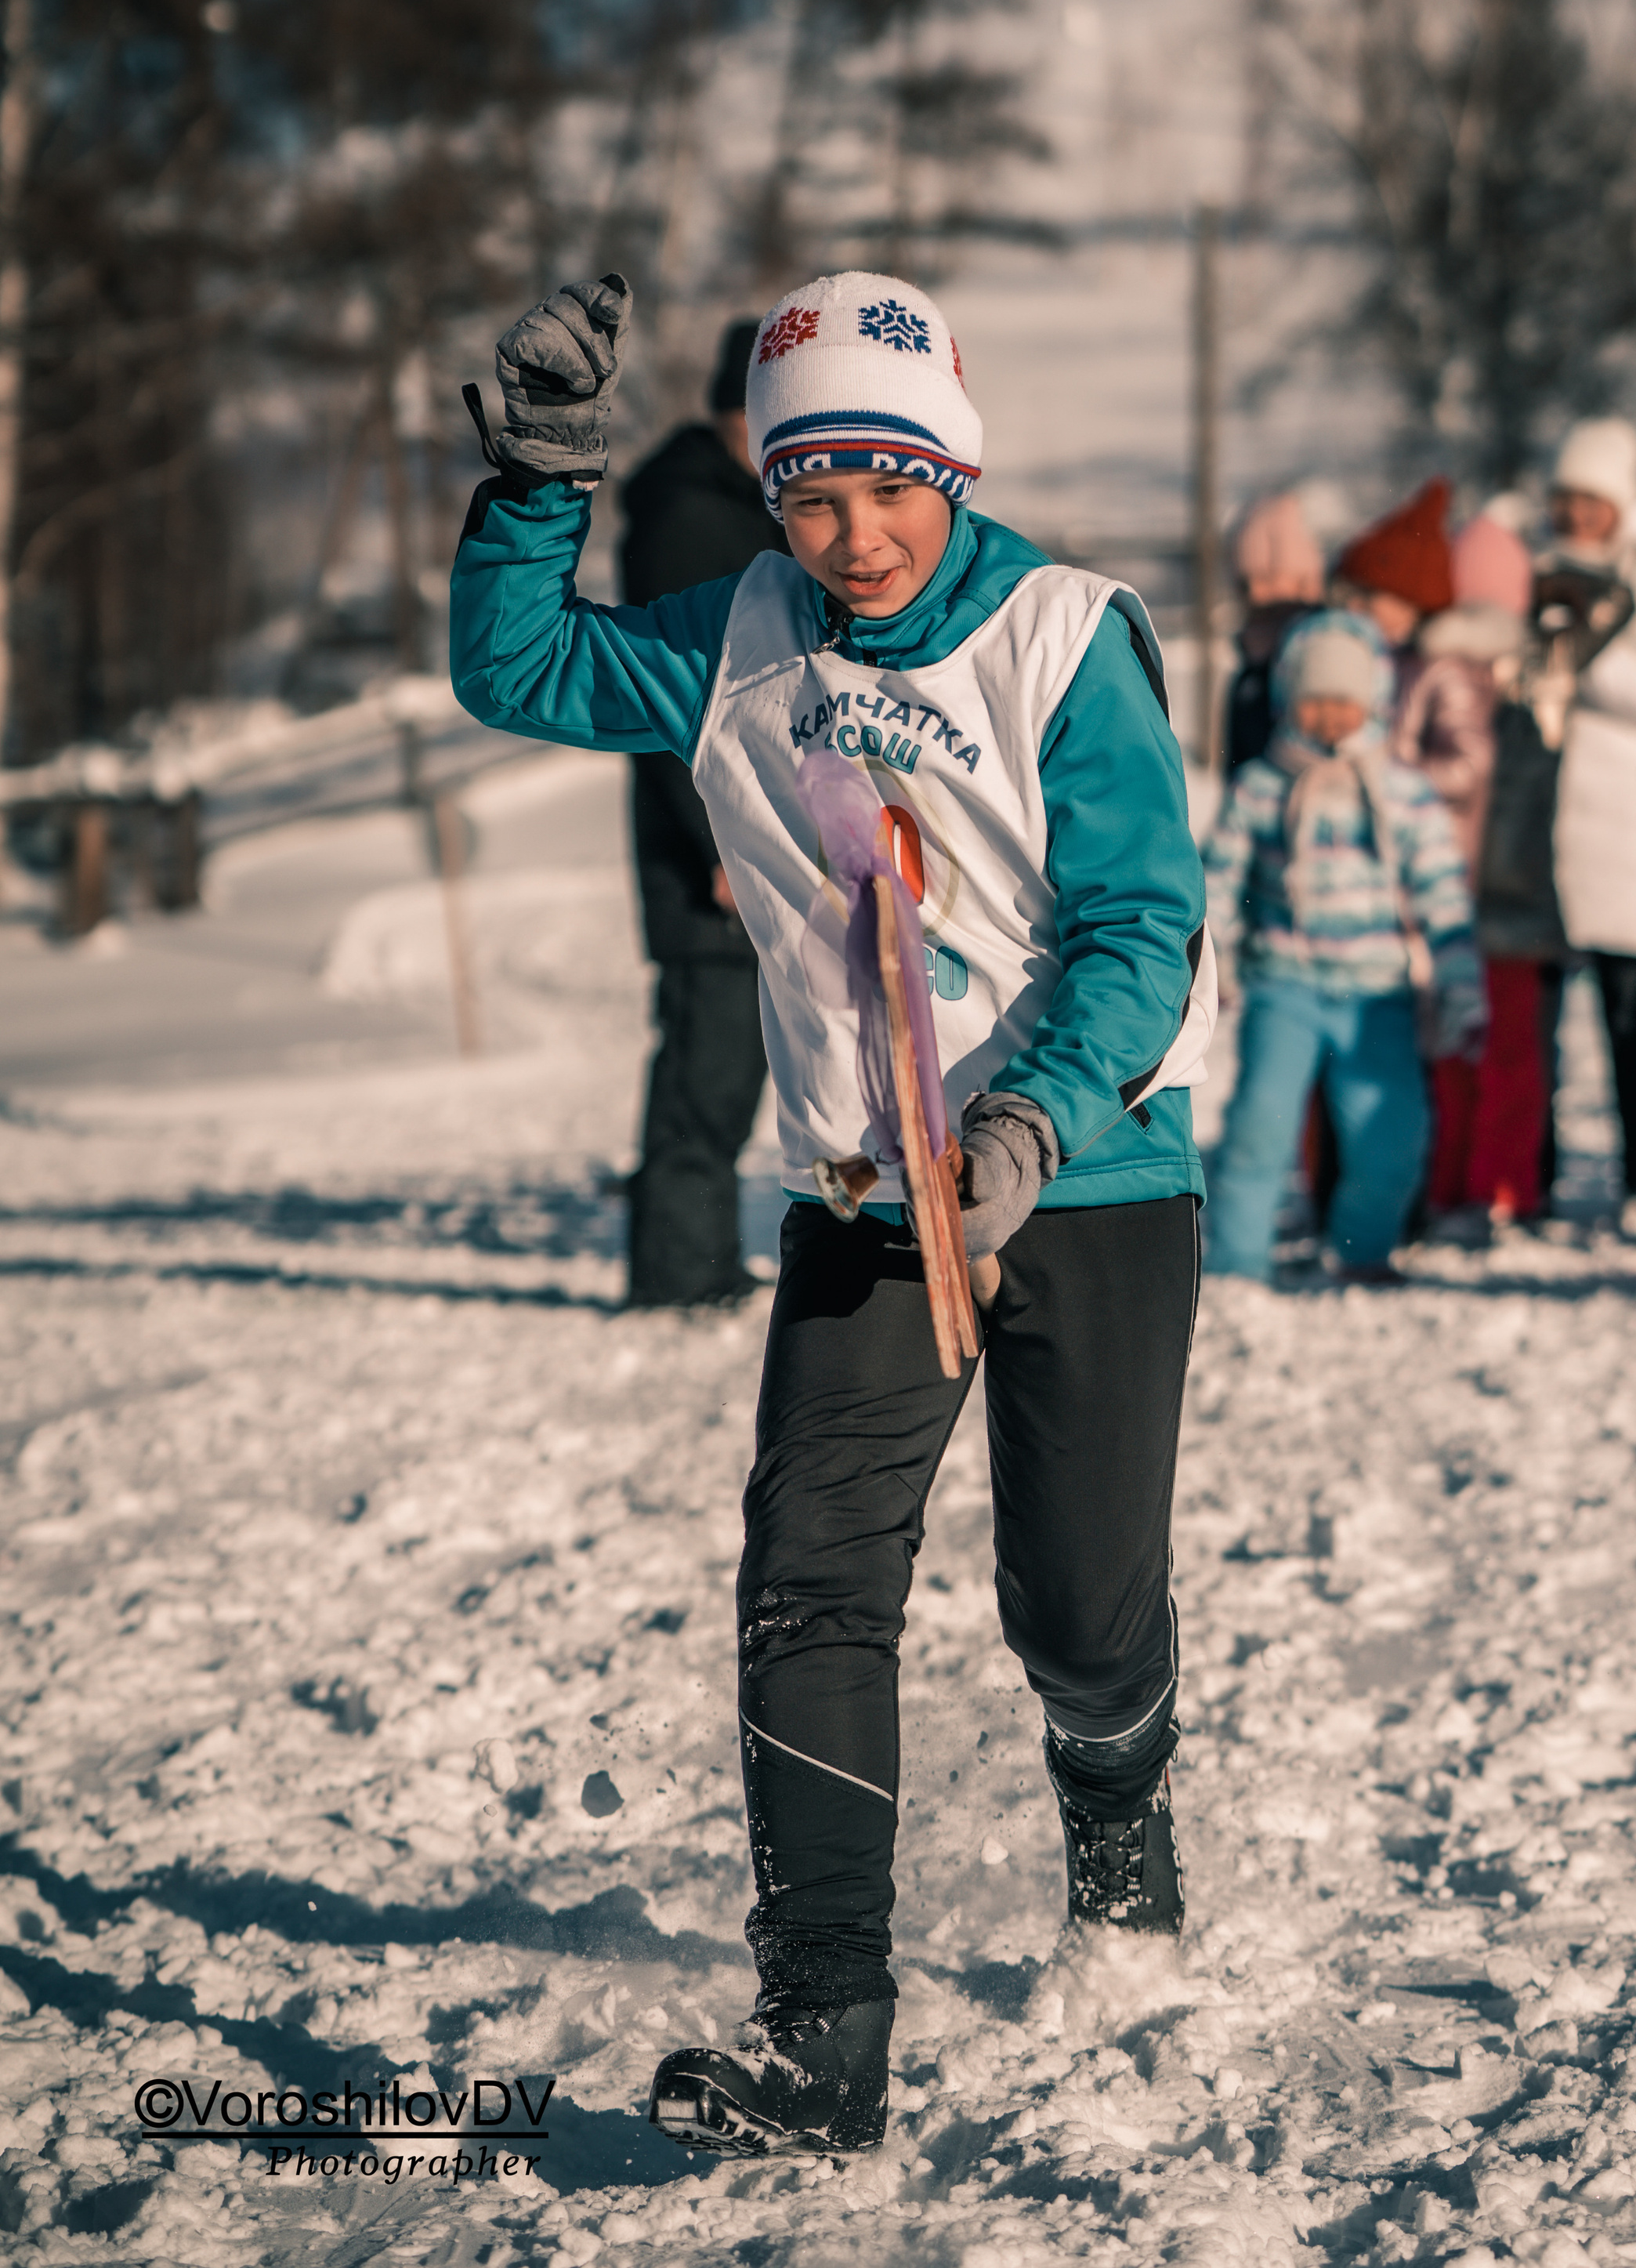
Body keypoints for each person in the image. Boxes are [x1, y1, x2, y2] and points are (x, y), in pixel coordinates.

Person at [451, 269, 1214, 2157]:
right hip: (868, 1197)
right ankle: (824, 2032)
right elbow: (516, 669)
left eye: (888, 488)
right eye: (809, 494)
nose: (851, 536)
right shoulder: (739, 634)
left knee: (1076, 1608)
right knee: (808, 1582)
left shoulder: (1059, 633)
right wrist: (543, 478)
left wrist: (1030, 1118)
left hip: (1088, 1183)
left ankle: (1117, 1829)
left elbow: (1140, 920)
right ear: (768, 493)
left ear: (952, 466)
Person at [1202, 610, 1483, 1284]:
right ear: (1289, 702)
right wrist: (1217, 963)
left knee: (1392, 1131)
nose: (1330, 717)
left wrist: (1460, 982)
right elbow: (1216, 885)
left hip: (1376, 994)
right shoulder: (1262, 787)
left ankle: (1365, 1249)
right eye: (1315, 701)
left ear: (1374, 705)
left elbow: (1443, 893)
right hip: (1283, 986)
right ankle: (1238, 1263)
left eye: (1345, 703)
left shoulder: (1402, 792)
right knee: (1259, 1127)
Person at [618, 317, 770, 1309]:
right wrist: (716, 840)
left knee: (738, 1067)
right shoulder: (688, 513)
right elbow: (672, 698)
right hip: (705, 849)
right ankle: (678, 1278)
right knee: (707, 1068)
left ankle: (703, 1262)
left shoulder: (744, 504)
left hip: (746, 830)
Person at [1540, 418, 1636, 1234]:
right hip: (1542, 827)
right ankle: (1533, 1180)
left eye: (1589, 500)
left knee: (1629, 1020)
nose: (1575, 513)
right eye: (1564, 497)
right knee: (1533, 1027)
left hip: (1624, 831)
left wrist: (1580, 658)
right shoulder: (1539, 572)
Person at [1391, 504, 1547, 1230]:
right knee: (1492, 1059)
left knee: (1457, 1060)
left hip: (1458, 896)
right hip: (1498, 899)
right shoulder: (1505, 692)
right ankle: (1491, 1188)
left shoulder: (1434, 678)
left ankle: (1458, 1187)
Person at [1223, 491, 1328, 773]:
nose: (1256, 594)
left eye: (1268, 577)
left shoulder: (1325, 658)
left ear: (1305, 579)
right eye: (1246, 583)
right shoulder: (1250, 667)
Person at [1329, 478, 1457, 697]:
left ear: (1410, 604)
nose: (1352, 606)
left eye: (1368, 595)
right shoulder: (1352, 646)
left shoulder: (1424, 668)